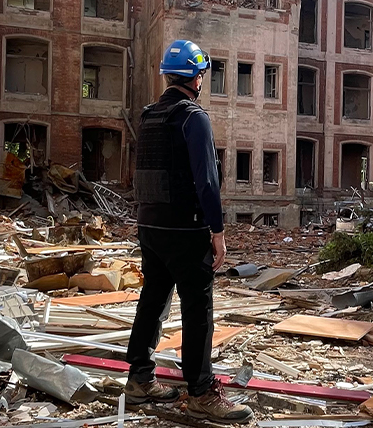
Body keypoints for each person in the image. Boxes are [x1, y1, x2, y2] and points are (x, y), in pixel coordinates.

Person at [123, 40, 254, 425]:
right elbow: (207, 182)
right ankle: (200, 391)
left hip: (150, 226)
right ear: (197, 77)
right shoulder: (192, 117)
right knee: (198, 309)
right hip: (185, 229)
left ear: (167, 75)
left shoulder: (148, 116)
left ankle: (140, 378)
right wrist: (217, 231)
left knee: (153, 299)